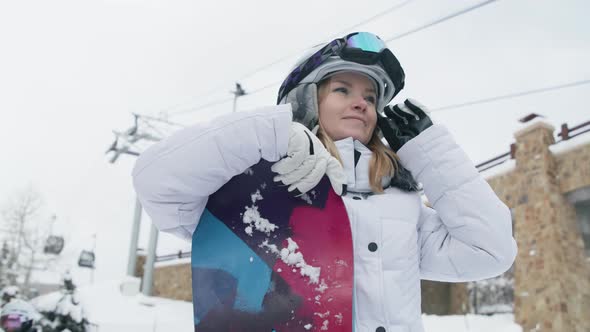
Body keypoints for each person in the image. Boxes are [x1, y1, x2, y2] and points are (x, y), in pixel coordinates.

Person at [133, 31, 517, 332]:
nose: (362, 103)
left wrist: (428, 150)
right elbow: (156, 181)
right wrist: (277, 132)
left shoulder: (399, 205)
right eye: (343, 89)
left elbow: (491, 250)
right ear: (304, 100)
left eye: (371, 96)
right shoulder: (257, 191)